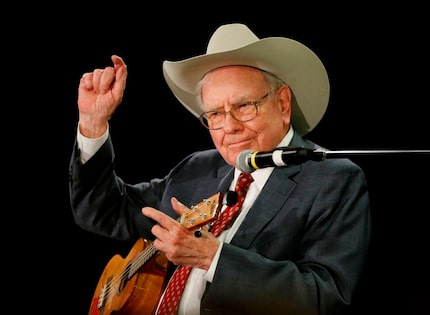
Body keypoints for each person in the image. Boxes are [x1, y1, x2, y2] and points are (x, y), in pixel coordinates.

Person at [69, 23, 371, 315]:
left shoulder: (332, 179)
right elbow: (102, 211)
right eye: (214, 113)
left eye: (243, 107)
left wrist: (213, 257)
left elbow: (323, 299)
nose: (229, 127)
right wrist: (93, 124)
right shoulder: (198, 168)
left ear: (282, 103)